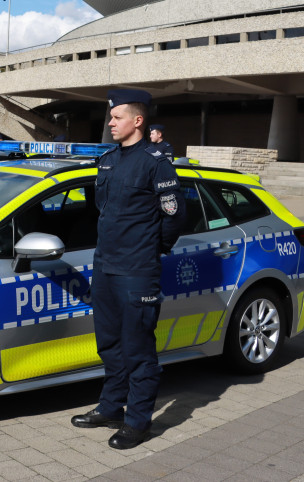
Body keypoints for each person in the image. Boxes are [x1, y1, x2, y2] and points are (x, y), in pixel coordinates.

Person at [71, 89, 185, 450]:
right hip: (105, 267)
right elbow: (103, 209)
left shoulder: (156, 162)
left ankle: (137, 421)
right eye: (110, 116)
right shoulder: (108, 160)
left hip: (138, 270)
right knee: (109, 344)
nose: (110, 122)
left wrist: (152, 249)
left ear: (137, 121)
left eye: (117, 116)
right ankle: (110, 407)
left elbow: (174, 215)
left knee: (137, 349)